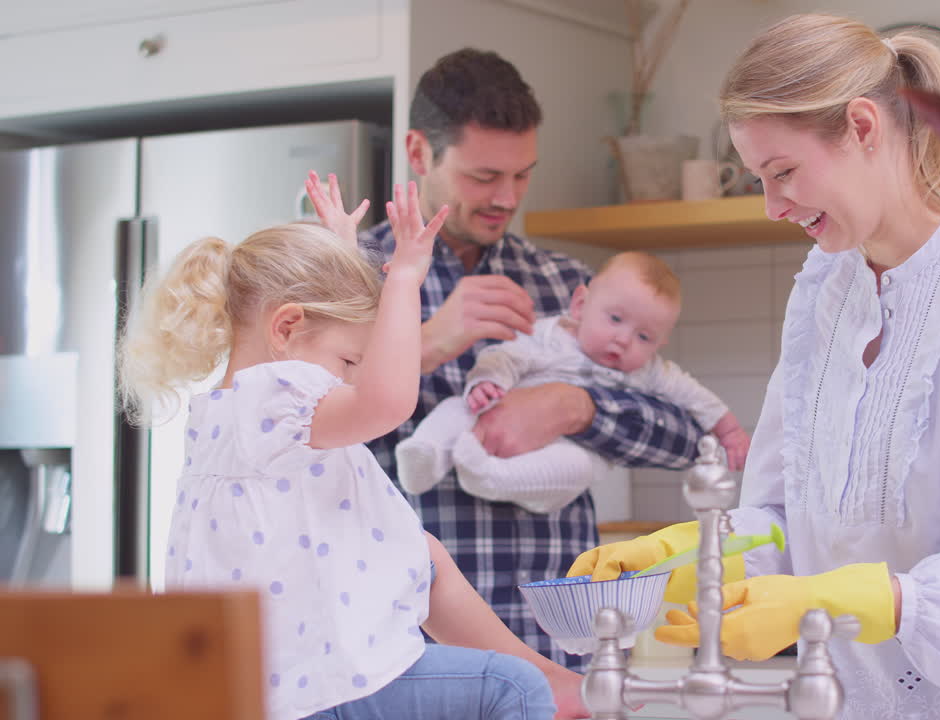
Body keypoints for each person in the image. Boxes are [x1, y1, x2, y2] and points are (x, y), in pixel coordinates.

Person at [569, 14, 940, 720]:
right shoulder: (825, 293)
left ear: (863, 126)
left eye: (782, 172)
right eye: (758, 178)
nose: (772, 206)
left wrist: (836, 598)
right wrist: (687, 558)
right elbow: (788, 521)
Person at [118, 180, 588, 720]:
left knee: (419, 554)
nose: (350, 382)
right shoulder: (273, 399)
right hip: (319, 689)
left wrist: (340, 253)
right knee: (513, 689)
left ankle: (554, 678)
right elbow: (387, 401)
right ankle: (546, 683)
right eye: (347, 362)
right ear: (287, 326)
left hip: (286, 685)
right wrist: (405, 277)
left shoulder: (234, 412)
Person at [356, 48, 705, 671]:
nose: (506, 197)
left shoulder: (571, 289)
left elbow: (687, 438)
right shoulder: (347, 279)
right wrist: (430, 341)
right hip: (395, 641)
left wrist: (577, 406)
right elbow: (292, 428)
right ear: (418, 152)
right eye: (483, 176)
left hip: (556, 644)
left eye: (522, 175)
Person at [394, 250, 752, 513]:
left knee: (580, 467)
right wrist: (486, 384)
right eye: (614, 319)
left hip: (557, 462)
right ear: (580, 304)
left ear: (661, 344)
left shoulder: (649, 371)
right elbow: (504, 357)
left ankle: (488, 474)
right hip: (489, 416)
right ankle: (427, 454)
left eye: (644, 337)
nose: (624, 340)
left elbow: (693, 400)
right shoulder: (551, 336)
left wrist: (731, 432)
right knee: (455, 408)